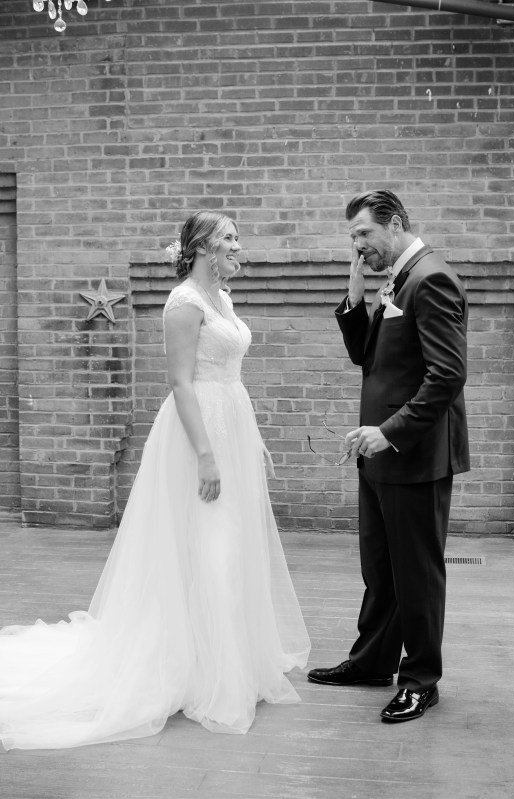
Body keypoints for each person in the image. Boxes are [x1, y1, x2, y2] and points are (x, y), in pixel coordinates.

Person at [0, 211, 310, 751]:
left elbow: (230, 375)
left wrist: (251, 437)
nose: (239, 246)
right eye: (230, 238)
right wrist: (206, 456)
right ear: (203, 247)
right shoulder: (183, 303)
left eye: (237, 238)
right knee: (210, 545)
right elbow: (182, 383)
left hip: (231, 423)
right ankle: (200, 673)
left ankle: (220, 659)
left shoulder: (222, 299)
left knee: (231, 544)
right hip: (196, 434)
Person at [307, 190, 469, 723]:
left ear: (394, 224)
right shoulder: (397, 279)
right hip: (377, 454)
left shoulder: (431, 278)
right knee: (380, 569)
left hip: (413, 455)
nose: (357, 245)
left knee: (416, 574)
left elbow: (447, 376)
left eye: (363, 233)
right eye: (353, 236)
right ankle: (373, 661)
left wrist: (390, 433)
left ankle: (420, 680)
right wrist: (355, 299)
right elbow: (368, 357)